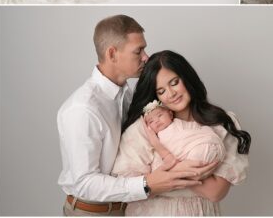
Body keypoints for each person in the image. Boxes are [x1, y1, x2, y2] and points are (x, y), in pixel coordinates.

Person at [58, 16, 216, 216]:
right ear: (112, 53)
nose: (145, 57)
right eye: (138, 50)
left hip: (128, 208)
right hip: (93, 212)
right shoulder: (83, 109)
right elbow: (83, 182)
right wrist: (147, 183)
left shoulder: (127, 94)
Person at [113, 50, 250, 215]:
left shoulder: (222, 122)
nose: (171, 94)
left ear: (187, 78)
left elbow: (215, 192)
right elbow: (130, 190)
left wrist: (166, 169)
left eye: (174, 82)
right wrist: (195, 173)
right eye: (161, 91)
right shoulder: (147, 127)